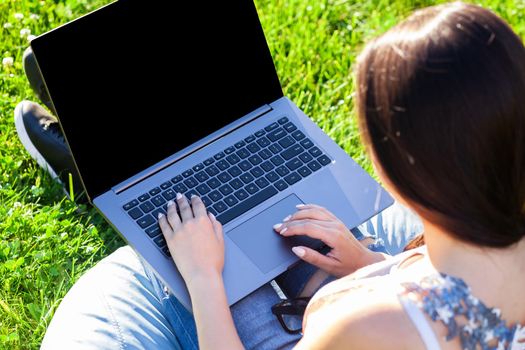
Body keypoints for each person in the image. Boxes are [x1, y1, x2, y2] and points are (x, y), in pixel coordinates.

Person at [16, 2, 525, 349]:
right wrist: (368, 262)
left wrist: (203, 277)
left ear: (400, 173)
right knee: (284, 228)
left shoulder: (362, 325)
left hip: (300, 335)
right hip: (369, 296)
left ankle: (101, 154)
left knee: (180, 241)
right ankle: (104, 147)